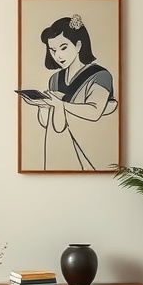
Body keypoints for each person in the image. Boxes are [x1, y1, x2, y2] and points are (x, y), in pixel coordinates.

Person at [18, 14, 117, 170]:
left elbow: (94, 111)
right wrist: (43, 106)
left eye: (63, 48)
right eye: (53, 50)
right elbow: (46, 123)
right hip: (57, 145)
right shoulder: (55, 79)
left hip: (89, 147)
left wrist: (60, 104)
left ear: (78, 45)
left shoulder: (100, 75)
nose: (58, 56)